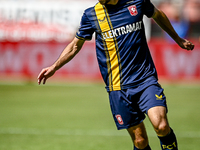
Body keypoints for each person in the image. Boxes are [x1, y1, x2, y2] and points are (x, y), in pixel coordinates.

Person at [37, 0, 194, 149]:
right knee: (140, 141)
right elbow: (74, 46)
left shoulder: (137, 2)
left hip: (145, 80)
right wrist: (54, 67)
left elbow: (157, 15)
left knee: (162, 126)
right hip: (118, 87)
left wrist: (177, 39)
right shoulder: (92, 15)